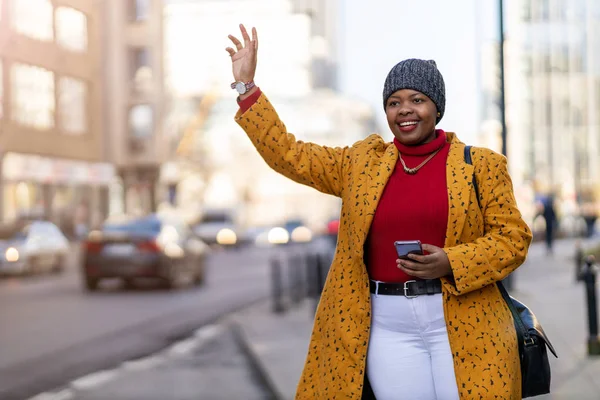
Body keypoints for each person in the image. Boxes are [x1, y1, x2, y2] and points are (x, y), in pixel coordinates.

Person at [226, 24, 532, 399]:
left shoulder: (480, 165)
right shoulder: (360, 163)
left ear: (437, 106)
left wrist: (452, 262)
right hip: (388, 327)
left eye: (417, 99)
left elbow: (513, 239)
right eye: (394, 102)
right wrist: (247, 89)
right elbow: (290, 155)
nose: (405, 110)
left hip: (466, 320)